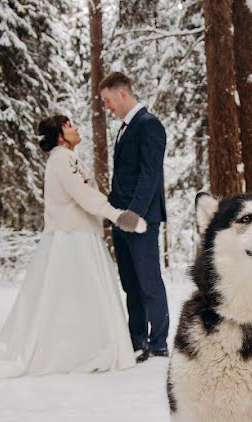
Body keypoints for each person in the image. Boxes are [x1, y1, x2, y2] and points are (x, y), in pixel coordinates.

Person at [0, 115, 145, 381]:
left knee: (76, 297)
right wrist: (117, 215)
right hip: (73, 239)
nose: (76, 128)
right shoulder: (62, 158)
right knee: (79, 296)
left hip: (81, 235)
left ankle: (85, 346)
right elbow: (83, 195)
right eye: (69, 126)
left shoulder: (67, 158)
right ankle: (79, 350)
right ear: (60, 136)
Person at [99, 72, 170, 363]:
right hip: (121, 219)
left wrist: (134, 213)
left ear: (123, 94)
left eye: (108, 100)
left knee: (148, 281)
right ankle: (136, 338)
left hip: (141, 220)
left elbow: (149, 175)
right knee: (130, 282)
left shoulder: (149, 125)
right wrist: (111, 211)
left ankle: (159, 342)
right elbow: (124, 178)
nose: (107, 107)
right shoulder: (125, 128)